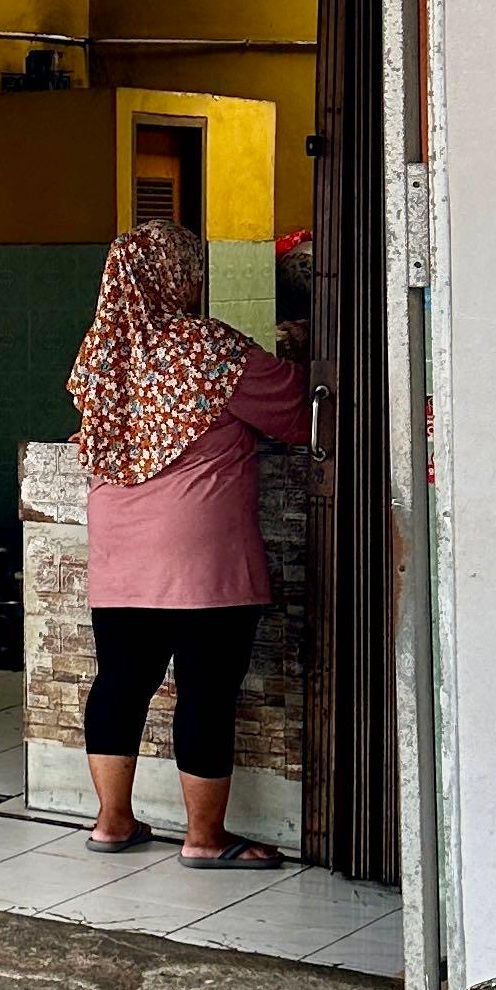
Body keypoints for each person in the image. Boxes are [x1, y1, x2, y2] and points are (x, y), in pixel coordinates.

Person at [68, 219, 308, 869]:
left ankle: (112, 822)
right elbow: (298, 413)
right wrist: (301, 354)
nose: (198, 278)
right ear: (174, 276)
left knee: (121, 680)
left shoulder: (100, 352)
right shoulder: (210, 348)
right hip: (203, 555)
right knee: (205, 690)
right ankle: (205, 839)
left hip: (120, 549)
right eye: (191, 267)